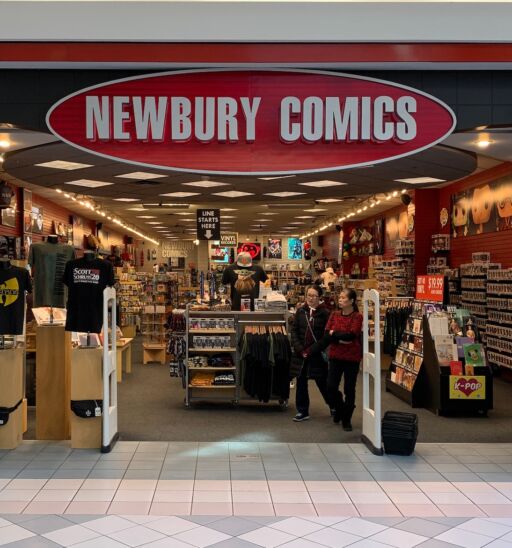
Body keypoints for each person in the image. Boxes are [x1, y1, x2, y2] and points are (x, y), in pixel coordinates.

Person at [289, 285, 331, 422]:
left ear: (320, 298)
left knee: (322, 382)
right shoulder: (301, 311)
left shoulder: (325, 314)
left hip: (316, 354)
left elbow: (326, 338)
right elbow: (294, 331)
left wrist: (312, 350)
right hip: (301, 354)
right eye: (309, 296)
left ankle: (333, 405)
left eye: (314, 296)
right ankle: (302, 411)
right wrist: (300, 349)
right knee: (301, 382)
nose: (311, 299)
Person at [324, 288, 363, 431]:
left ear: (351, 301)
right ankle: (340, 409)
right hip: (335, 356)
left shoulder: (357, 317)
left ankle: (347, 418)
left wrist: (336, 335)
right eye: (339, 297)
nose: (340, 300)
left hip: (352, 357)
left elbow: (352, 335)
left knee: (349, 389)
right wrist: (340, 338)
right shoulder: (334, 315)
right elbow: (328, 333)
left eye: (343, 298)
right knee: (330, 387)